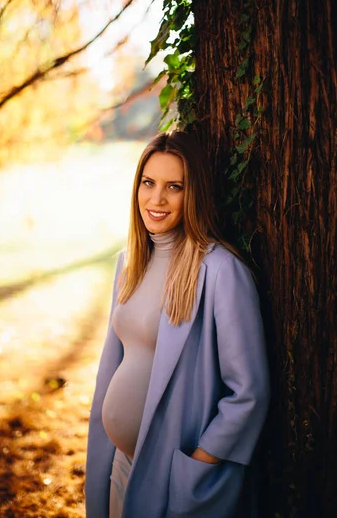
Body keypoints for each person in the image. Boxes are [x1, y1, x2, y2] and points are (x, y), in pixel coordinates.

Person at [85, 130, 270, 518]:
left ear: (194, 194)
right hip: (121, 464)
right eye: (148, 183)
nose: (157, 199)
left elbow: (248, 392)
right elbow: (116, 360)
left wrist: (203, 460)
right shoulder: (129, 263)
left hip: (174, 478)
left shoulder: (220, 272)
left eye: (174, 187)